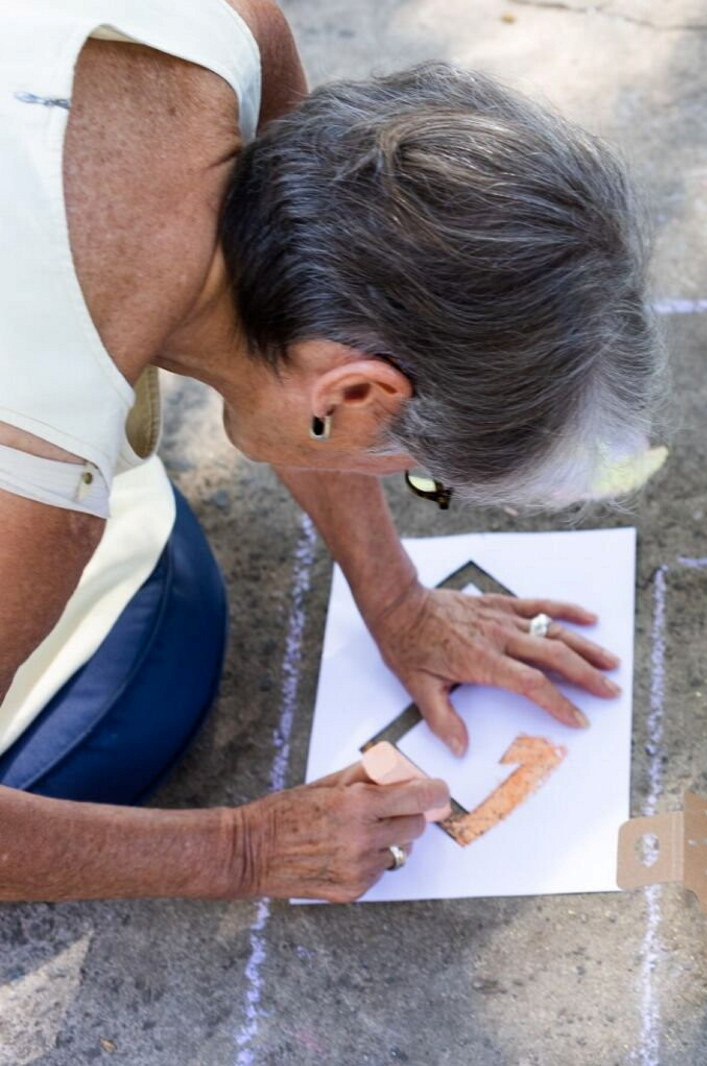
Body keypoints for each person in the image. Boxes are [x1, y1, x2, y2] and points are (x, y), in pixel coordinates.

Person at [0, 0, 663, 902]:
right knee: (152, 664)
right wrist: (243, 849)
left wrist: (393, 596)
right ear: (353, 395)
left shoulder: (229, 31)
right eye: (416, 472)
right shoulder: (42, 473)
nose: (402, 481)